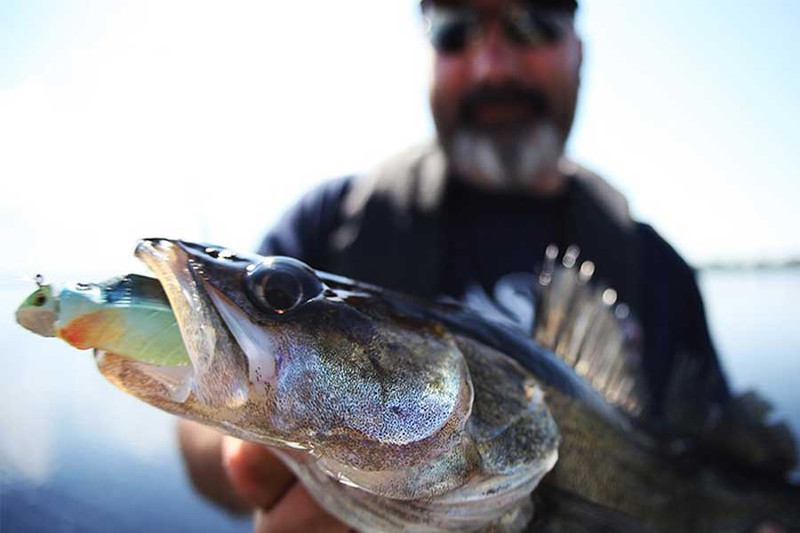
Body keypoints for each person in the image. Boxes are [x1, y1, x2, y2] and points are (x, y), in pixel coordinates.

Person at [178, 0, 740, 530]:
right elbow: (196, 415)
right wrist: (237, 439)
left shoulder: (661, 271)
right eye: (454, 27)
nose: (491, 63)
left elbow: (730, 454)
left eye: (533, 20)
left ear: (579, 51)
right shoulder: (329, 222)